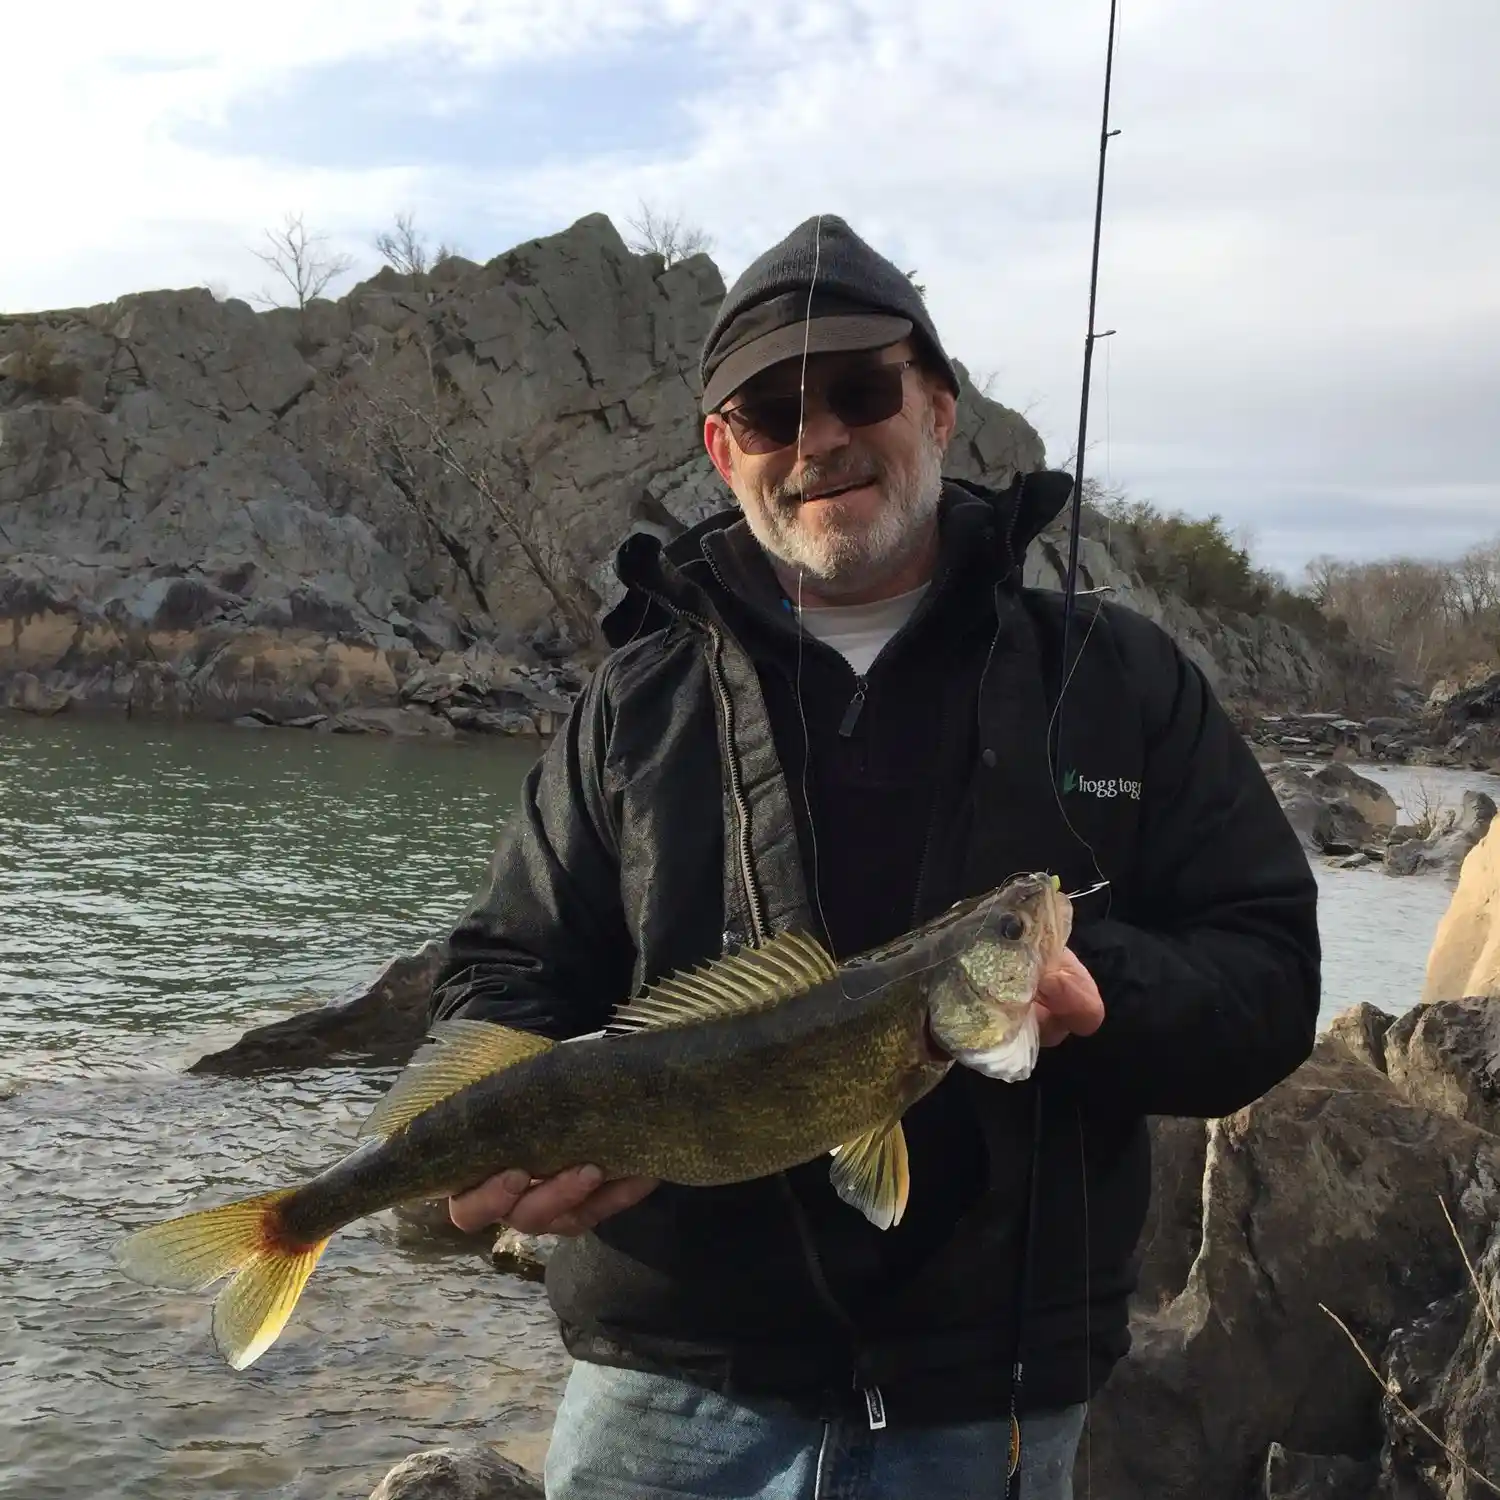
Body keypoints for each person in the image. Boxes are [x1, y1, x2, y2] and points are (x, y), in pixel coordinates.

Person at [428, 214, 1321, 1499]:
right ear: (720, 451)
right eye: (770, 414)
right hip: (667, 1380)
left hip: (989, 1401)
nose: (820, 439)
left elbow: (1271, 984)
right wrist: (493, 1160)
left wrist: (1099, 987)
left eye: (859, 390)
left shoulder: (1120, 678)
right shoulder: (632, 704)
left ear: (942, 407)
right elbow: (502, 976)